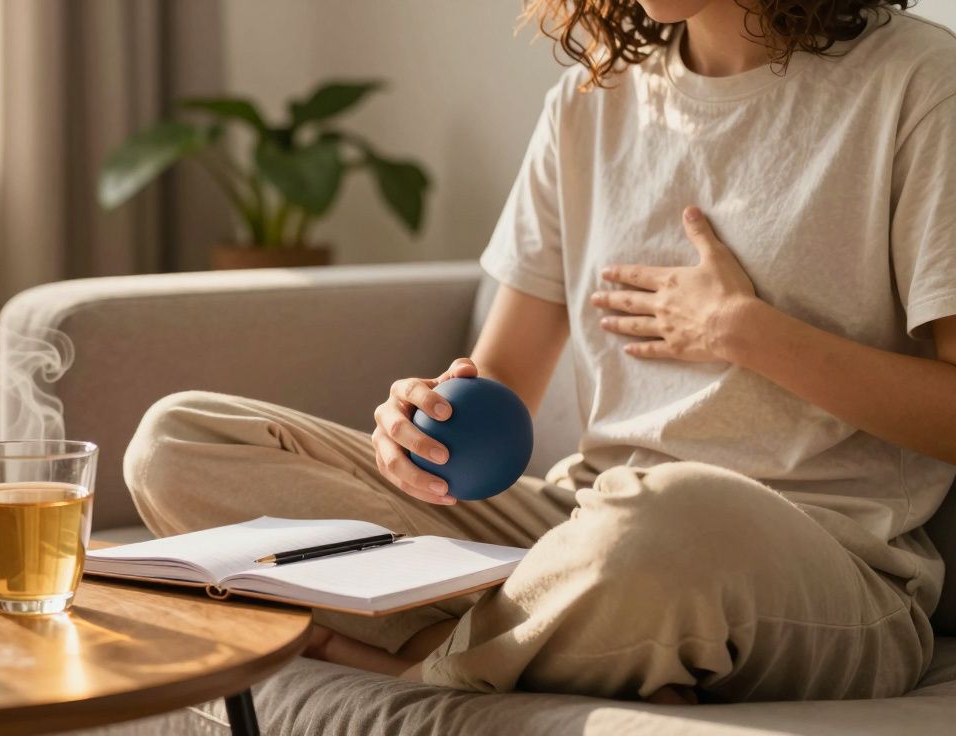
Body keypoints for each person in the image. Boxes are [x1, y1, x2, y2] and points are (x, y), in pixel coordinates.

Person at [123, 0, 956, 703]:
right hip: (586, 525)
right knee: (182, 440)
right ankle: (566, 632)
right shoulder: (589, 104)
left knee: (658, 522)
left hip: (824, 563)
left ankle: (423, 665)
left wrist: (743, 333)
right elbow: (498, 386)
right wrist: (419, 426)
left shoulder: (919, 81)